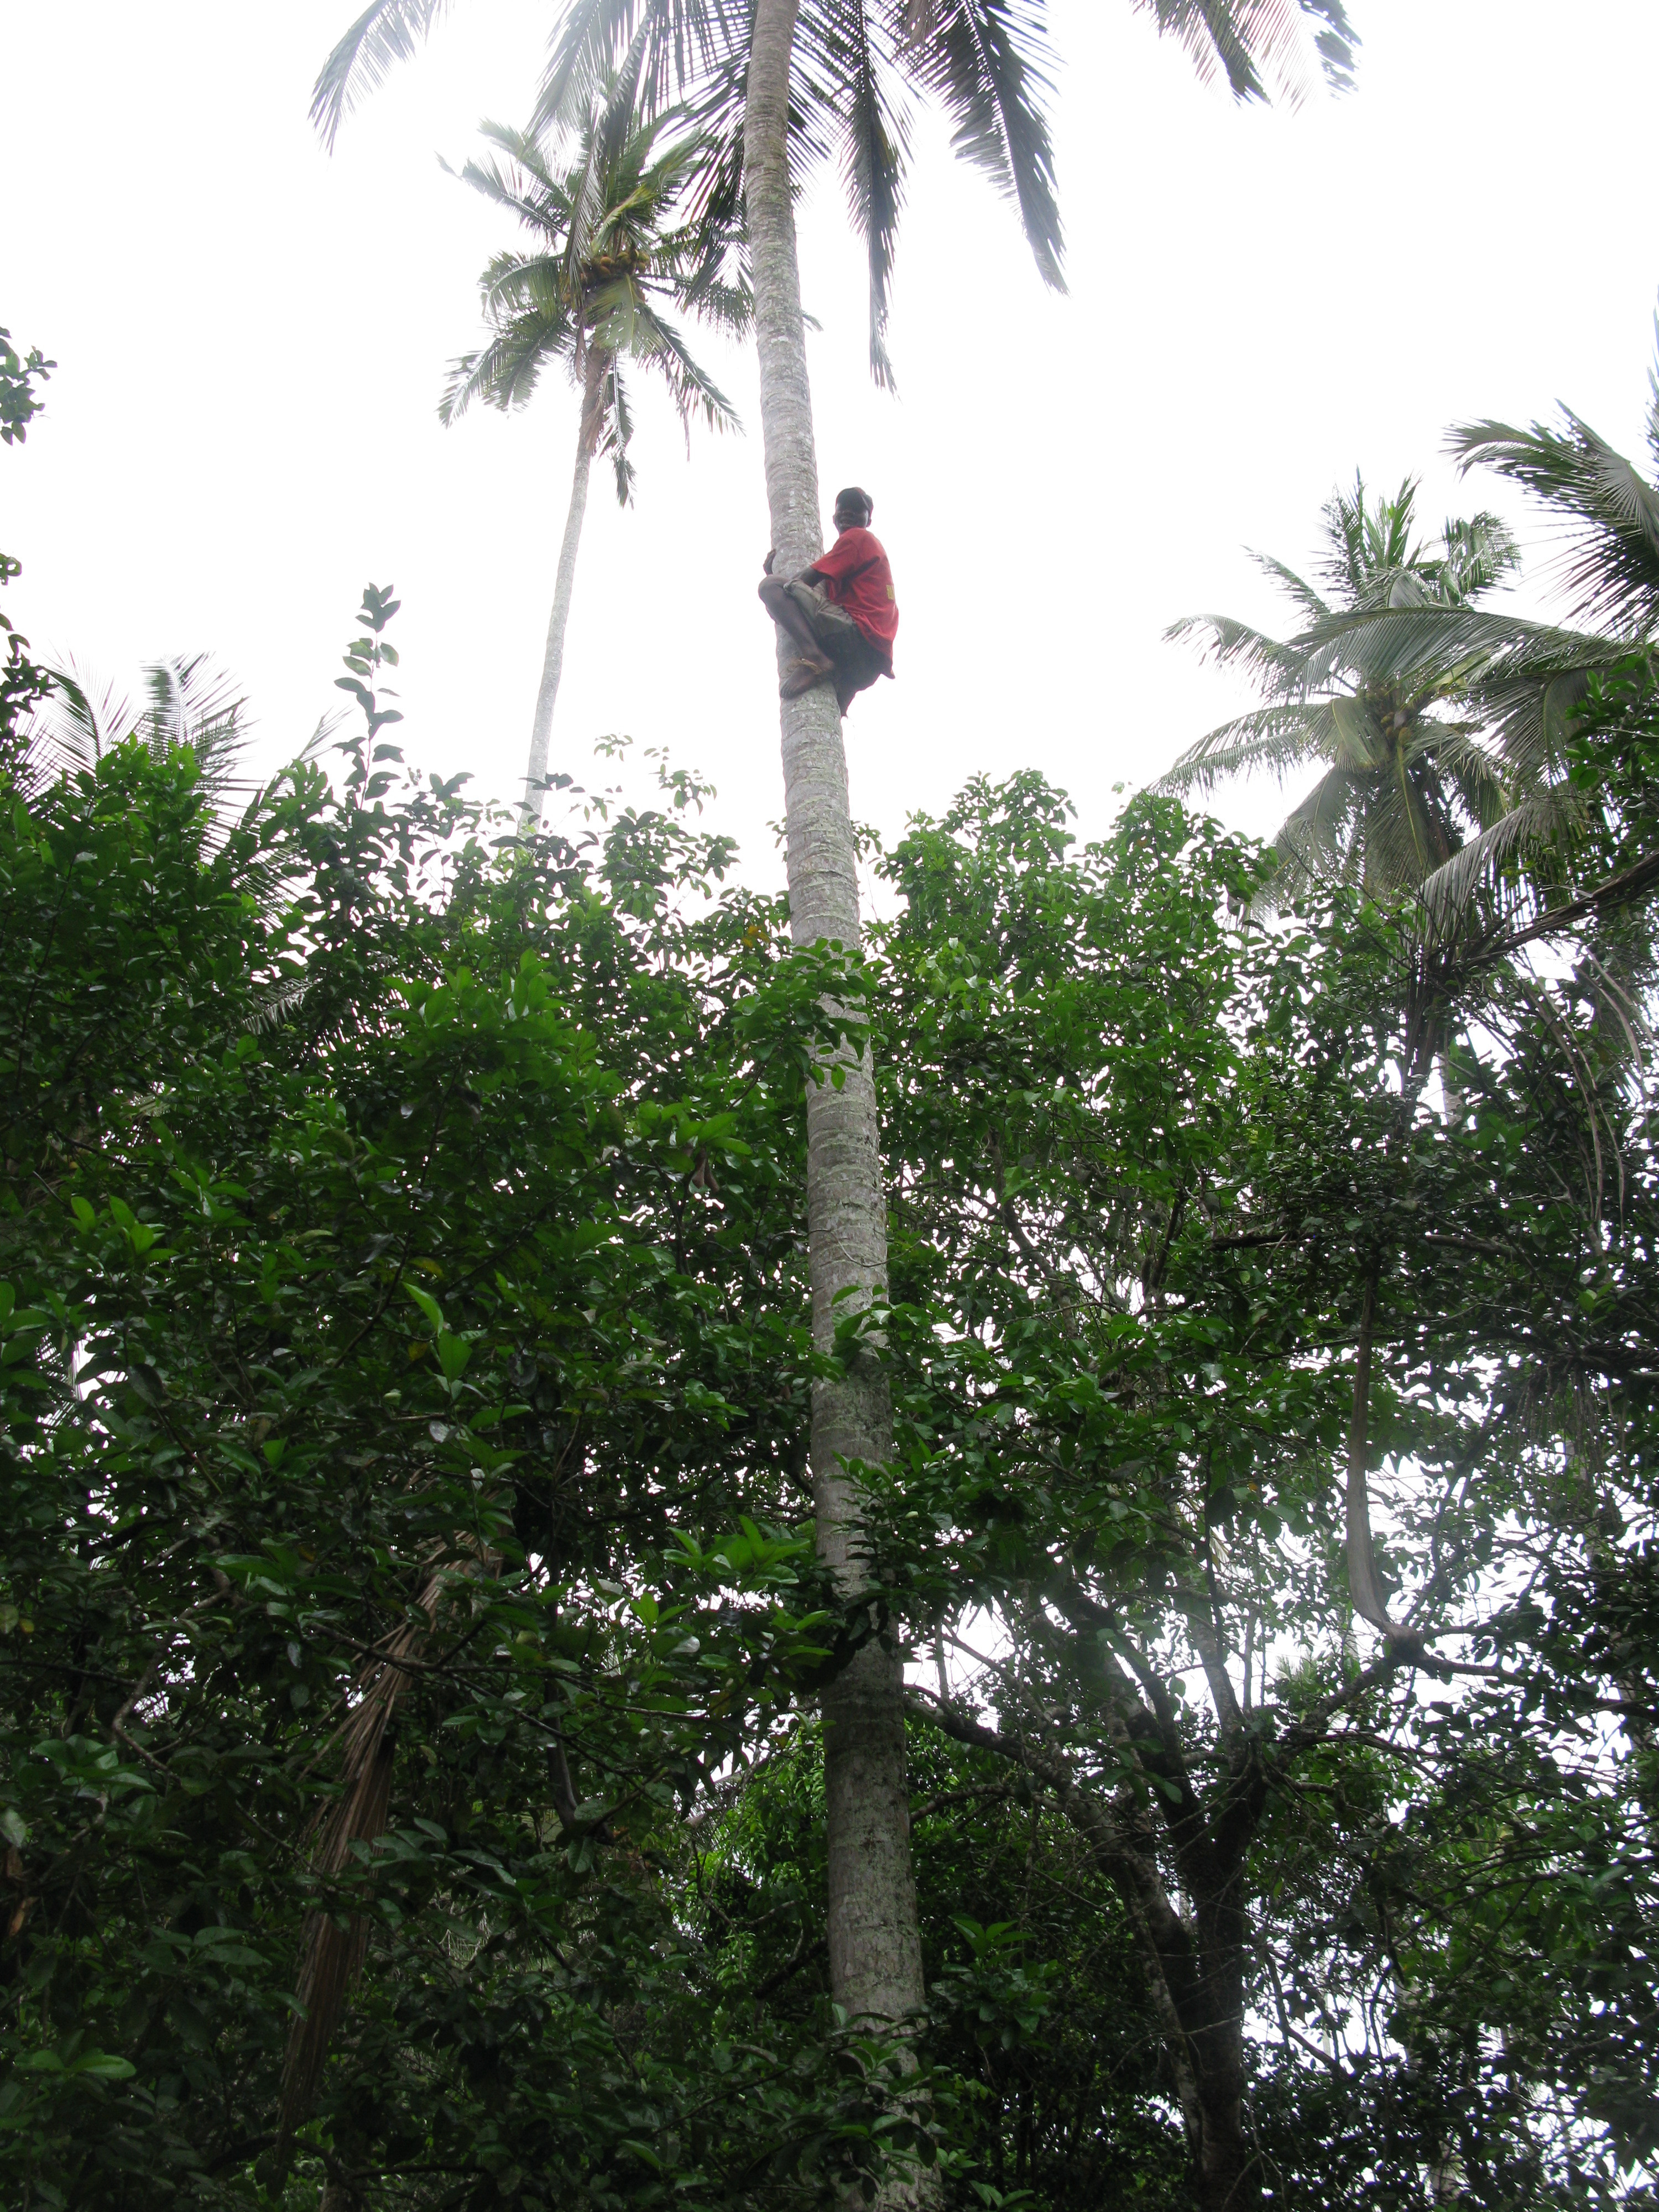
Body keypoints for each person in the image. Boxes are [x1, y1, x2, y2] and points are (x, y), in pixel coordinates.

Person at [758, 486, 898, 713]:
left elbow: (800, 583)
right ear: (834, 518)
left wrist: (773, 577)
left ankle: (815, 658)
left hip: (858, 637)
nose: (848, 514)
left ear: (868, 520)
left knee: (770, 588)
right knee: (829, 713)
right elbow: (810, 605)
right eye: (843, 510)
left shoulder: (857, 539)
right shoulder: (852, 561)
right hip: (870, 665)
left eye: (856, 510)